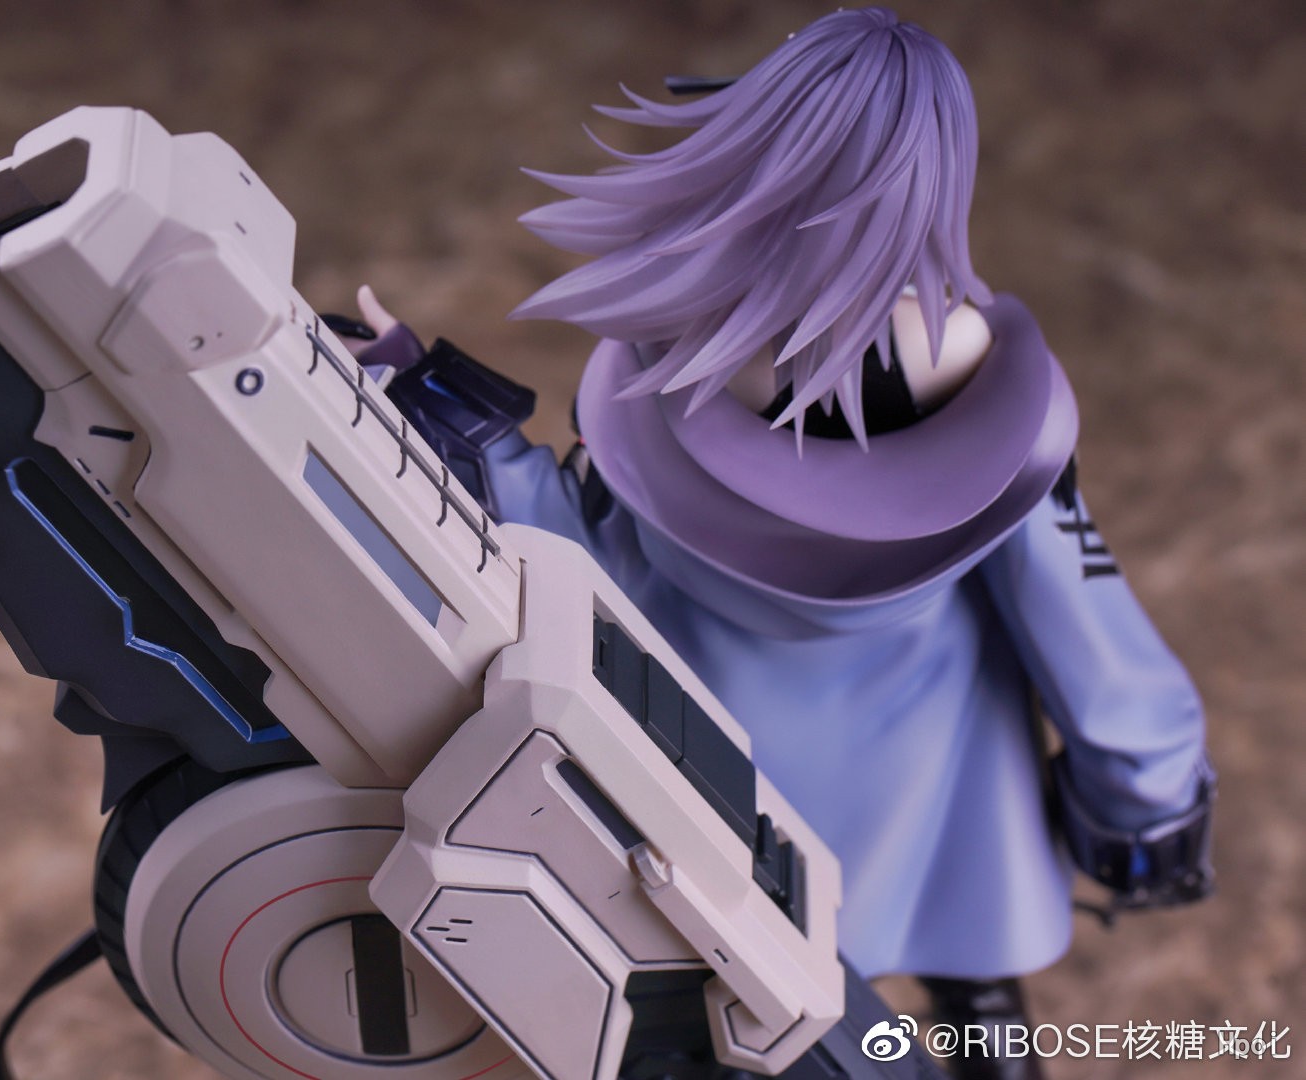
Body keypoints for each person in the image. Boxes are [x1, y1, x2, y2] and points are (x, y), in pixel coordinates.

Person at [352, 9, 1214, 1079]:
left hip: (720, 764)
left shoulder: (693, 343)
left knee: (743, 1004)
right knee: (978, 999)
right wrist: (1150, 799)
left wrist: (439, 402)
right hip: (936, 760)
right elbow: (1074, 604)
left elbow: (584, 550)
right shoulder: (973, 360)